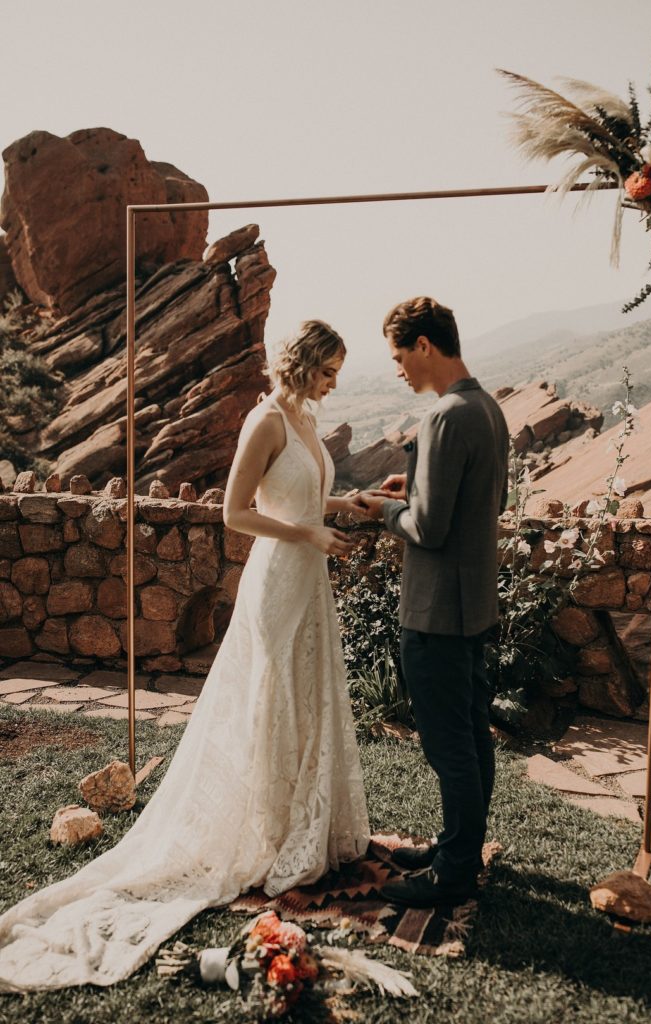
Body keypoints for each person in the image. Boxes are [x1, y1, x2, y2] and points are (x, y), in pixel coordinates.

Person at [0, 319, 370, 991]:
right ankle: (263, 827)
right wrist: (307, 534)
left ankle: (297, 821)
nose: (333, 382)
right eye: (327, 370)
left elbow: (304, 497)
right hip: (278, 577)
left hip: (305, 575)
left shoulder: (307, 421)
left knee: (305, 692)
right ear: (304, 363)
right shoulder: (265, 420)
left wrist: (349, 502)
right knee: (272, 695)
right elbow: (235, 512)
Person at [357, 296, 508, 909]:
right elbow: (484, 504)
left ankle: (454, 874)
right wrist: (416, 486)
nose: (398, 369)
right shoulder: (487, 407)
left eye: (399, 355)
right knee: (471, 737)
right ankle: (458, 849)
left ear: (424, 345)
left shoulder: (445, 416)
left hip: (437, 610)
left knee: (449, 746)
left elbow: (429, 531)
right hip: (475, 606)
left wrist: (385, 508)